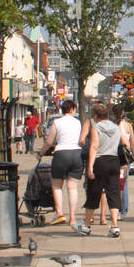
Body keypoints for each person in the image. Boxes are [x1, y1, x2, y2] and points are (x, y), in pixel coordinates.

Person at [41, 100, 89, 235]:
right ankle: (73, 217)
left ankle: (60, 213)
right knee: (72, 187)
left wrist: (41, 154)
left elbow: (49, 141)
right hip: (76, 154)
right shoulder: (78, 122)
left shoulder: (57, 122)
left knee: (56, 185)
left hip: (61, 154)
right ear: (73, 109)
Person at [85, 102, 123, 238]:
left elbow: (94, 147)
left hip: (100, 161)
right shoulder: (116, 127)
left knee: (94, 192)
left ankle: (86, 225)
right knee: (113, 193)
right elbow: (123, 142)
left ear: (95, 116)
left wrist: (89, 167)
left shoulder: (96, 128)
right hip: (114, 161)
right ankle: (114, 226)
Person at [111, 104, 134, 219]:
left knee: (117, 183)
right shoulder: (128, 125)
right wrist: (131, 153)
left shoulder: (114, 125)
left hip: (116, 155)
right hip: (126, 155)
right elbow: (132, 142)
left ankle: (121, 209)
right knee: (124, 182)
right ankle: (123, 209)